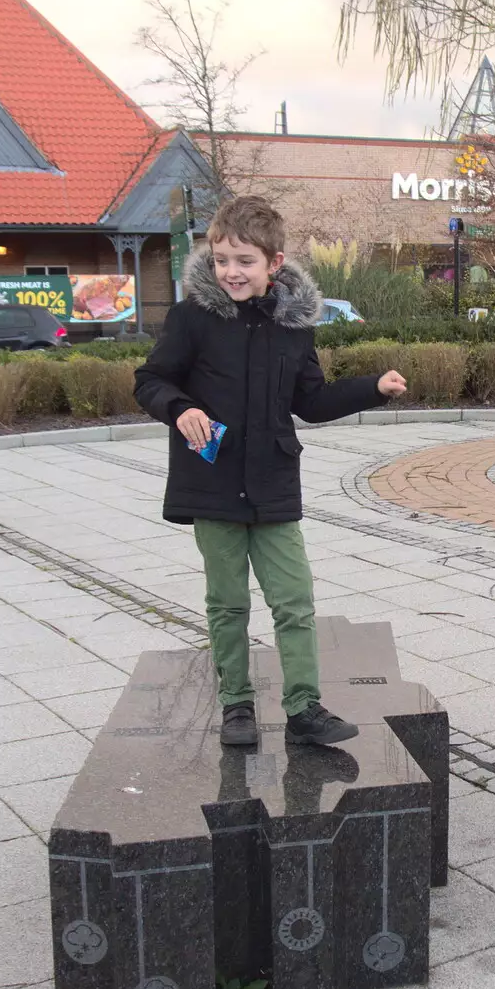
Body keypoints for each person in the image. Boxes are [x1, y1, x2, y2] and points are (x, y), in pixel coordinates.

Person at [134, 195, 408, 747]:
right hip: (211, 485)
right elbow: (151, 380)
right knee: (228, 602)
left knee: (294, 599)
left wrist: (372, 390)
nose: (231, 272)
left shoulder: (294, 328)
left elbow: (312, 401)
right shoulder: (192, 320)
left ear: (274, 264)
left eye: (245, 261)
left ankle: (304, 707)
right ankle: (236, 703)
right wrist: (180, 407)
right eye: (222, 260)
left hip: (273, 484)